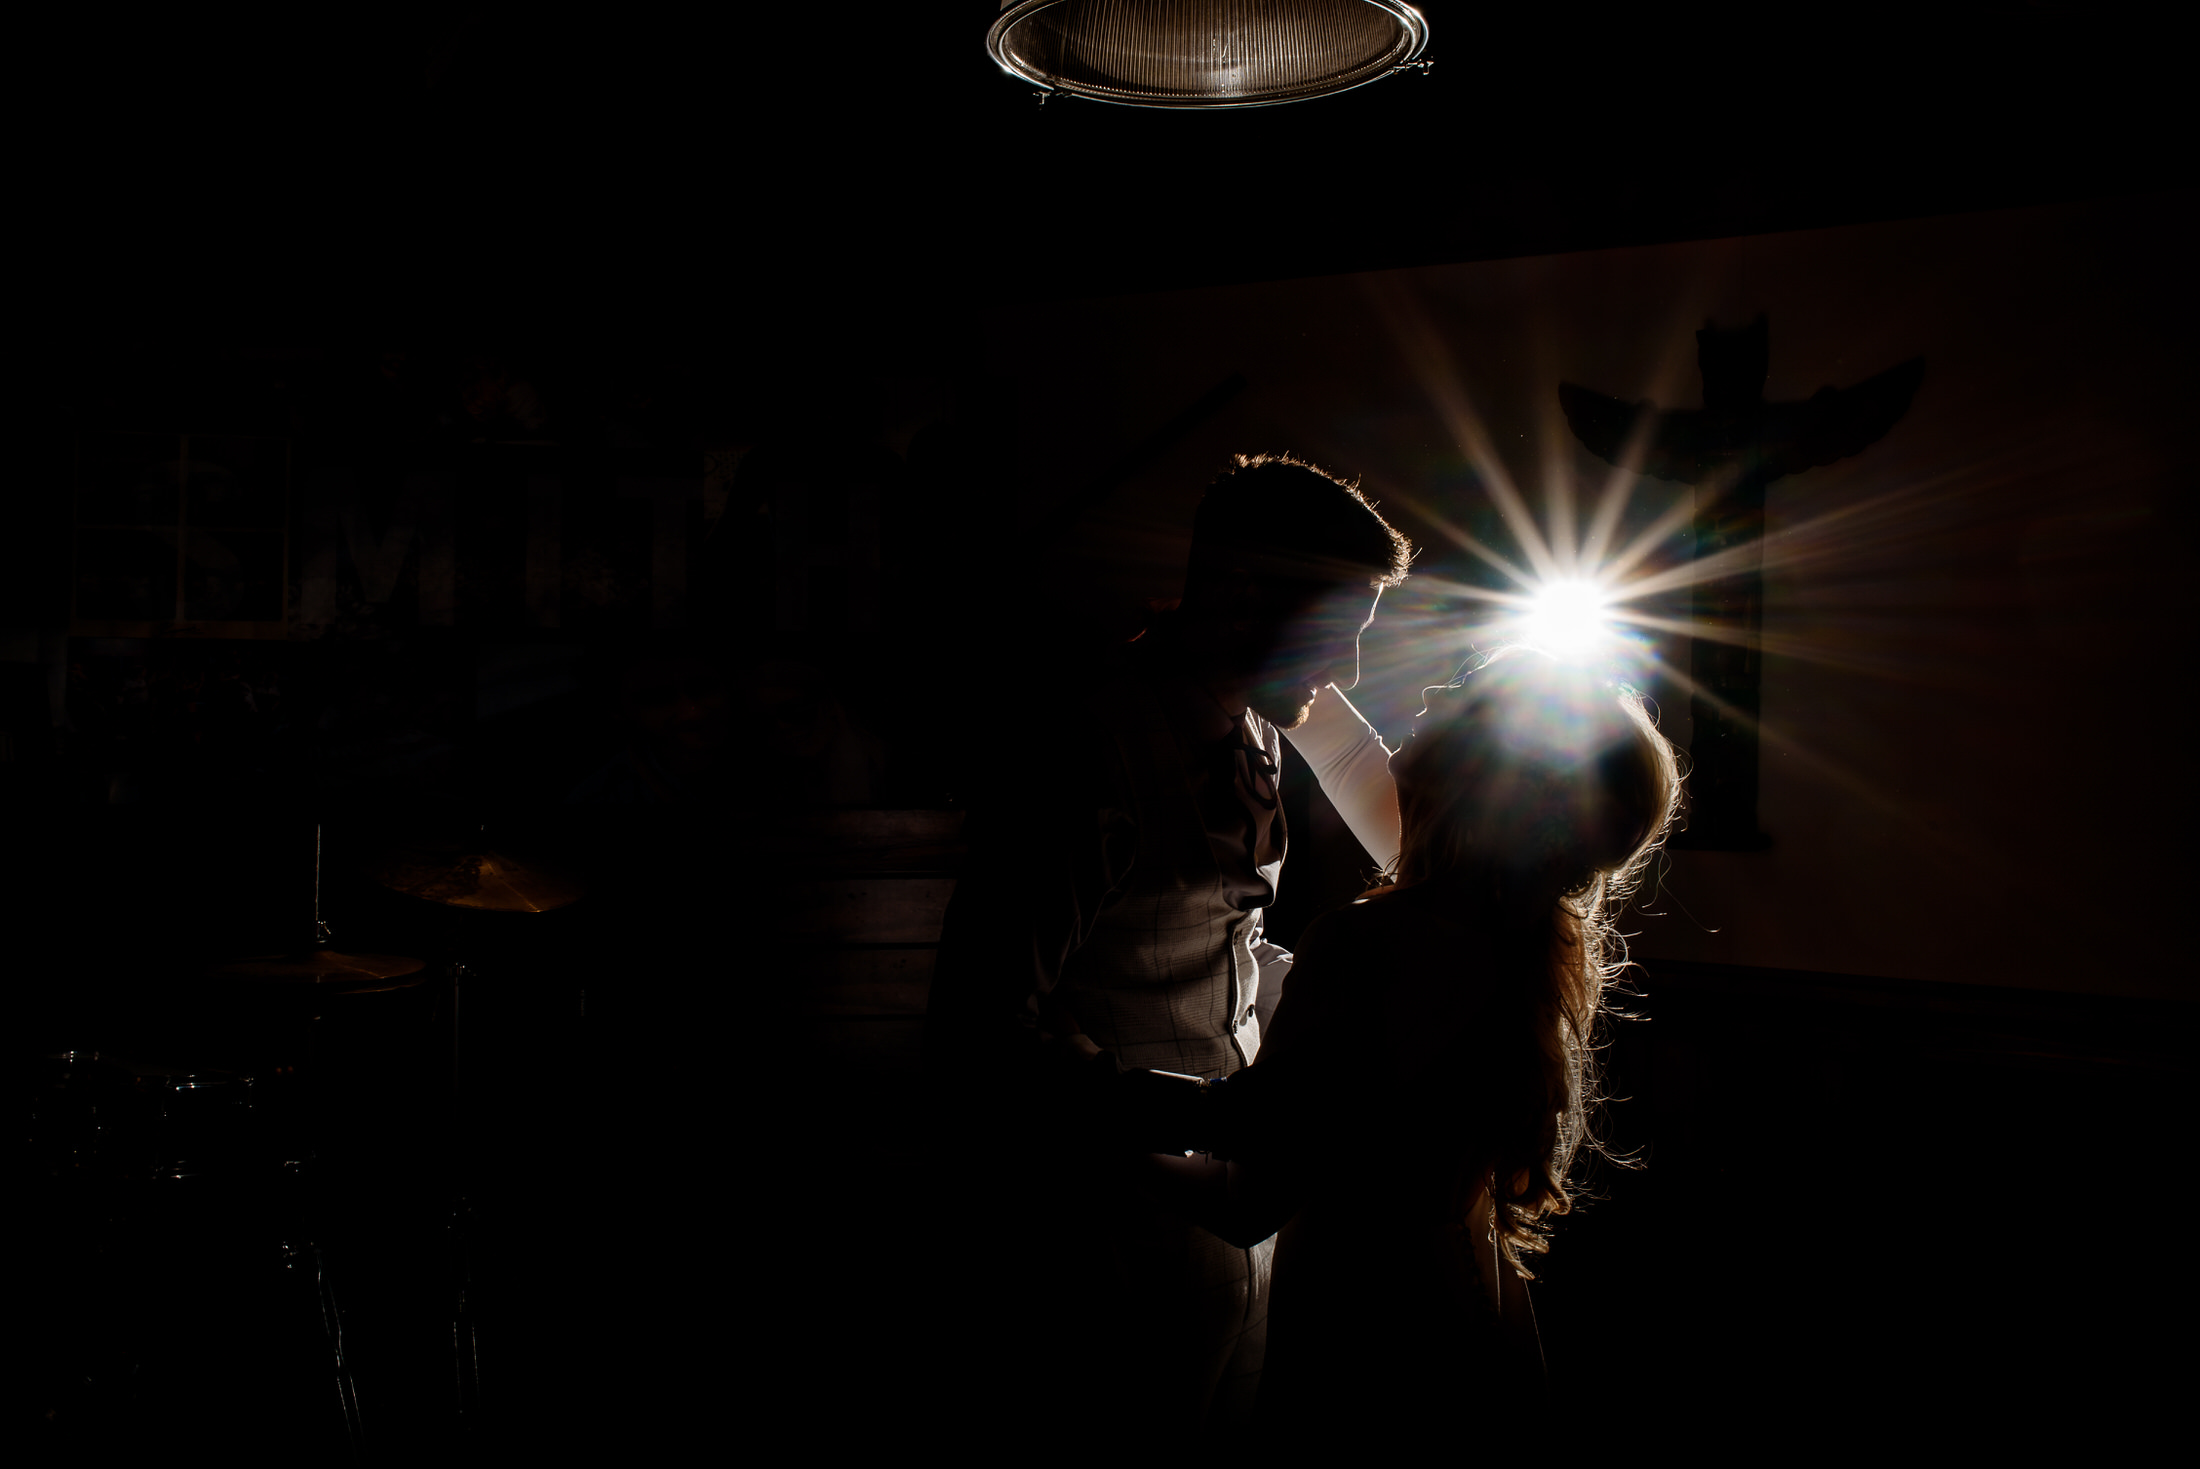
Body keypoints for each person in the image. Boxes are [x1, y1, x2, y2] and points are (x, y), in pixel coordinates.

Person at [919, 452, 1415, 1437]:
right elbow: (978, 1027)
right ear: (1235, 592)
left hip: (1233, 1235)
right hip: (1096, 1234)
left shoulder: (1264, 732)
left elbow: (1216, 944)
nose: (1349, 669)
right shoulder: (1087, 756)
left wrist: (1319, 1012)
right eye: (1335, 631)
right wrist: (1218, 1119)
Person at [1114, 644, 1683, 1442]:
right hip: (1455, 1303)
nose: (1427, 691)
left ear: (1478, 773)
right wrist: (1292, 664)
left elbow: (1250, 1202)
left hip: (1362, 1325)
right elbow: (1353, 761)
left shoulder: (1366, 942)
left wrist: (1087, 1112)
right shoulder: (1507, 928)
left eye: (1458, 693)